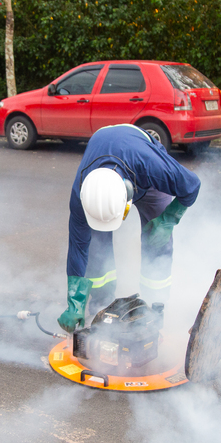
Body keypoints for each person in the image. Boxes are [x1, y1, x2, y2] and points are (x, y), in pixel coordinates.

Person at [58, 124, 201, 332]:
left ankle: (155, 308)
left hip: (139, 162)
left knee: (157, 241)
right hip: (106, 153)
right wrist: (74, 304)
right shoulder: (83, 195)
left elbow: (192, 186)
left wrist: (167, 221)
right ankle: (101, 308)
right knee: (96, 246)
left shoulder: (154, 168)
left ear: (127, 196)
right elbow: (79, 248)